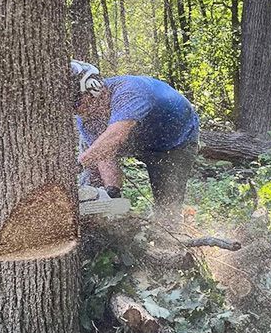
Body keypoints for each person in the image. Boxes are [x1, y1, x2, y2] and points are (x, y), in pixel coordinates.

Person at [70, 60, 199, 217]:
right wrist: (112, 192)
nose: (75, 109)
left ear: (93, 87)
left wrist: (77, 164)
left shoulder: (129, 91)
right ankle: (105, 226)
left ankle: (169, 238)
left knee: (167, 207)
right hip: (138, 141)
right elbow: (104, 155)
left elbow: (115, 136)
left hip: (174, 143)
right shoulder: (86, 118)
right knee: (92, 187)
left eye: (76, 101)